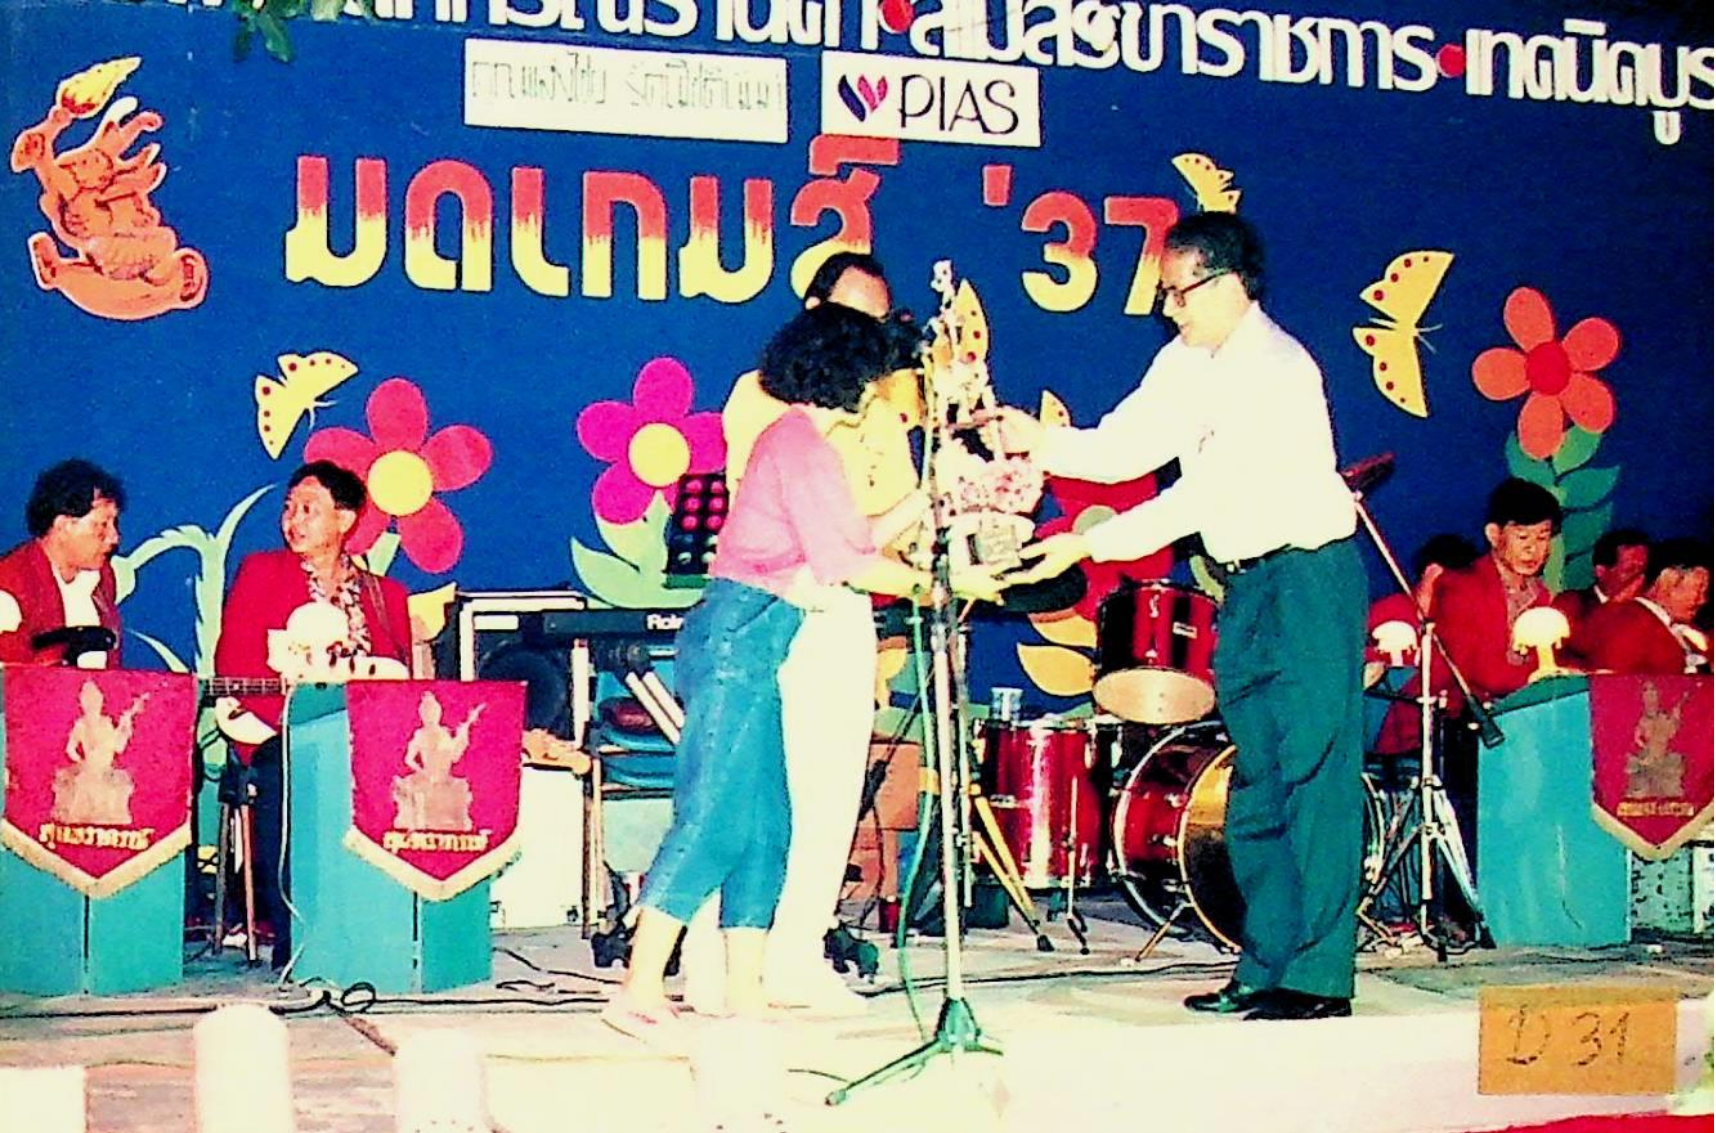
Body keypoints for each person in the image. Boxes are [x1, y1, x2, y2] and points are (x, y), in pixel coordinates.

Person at [994, 212, 1366, 1022]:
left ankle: (1319, 976)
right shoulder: (1185, 361)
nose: (1169, 308)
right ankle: (1265, 964)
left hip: (1307, 580)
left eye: (1178, 291)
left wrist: (1084, 545)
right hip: (1249, 584)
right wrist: (1038, 441)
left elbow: (1202, 495)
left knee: (1313, 777)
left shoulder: (1278, 370)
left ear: (1226, 282)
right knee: (1258, 780)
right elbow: (1124, 445)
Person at [602, 303, 999, 1049]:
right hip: (737, 638)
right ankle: (639, 986)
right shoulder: (800, 445)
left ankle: (745, 989)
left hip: (759, 644)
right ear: (848, 378)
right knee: (717, 815)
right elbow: (847, 564)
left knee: (767, 823)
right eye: (873, 380)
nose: (877, 395)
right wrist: (944, 587)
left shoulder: (802, 443)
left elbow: (852, 540)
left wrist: (926, 499)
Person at [682, 251, 924, 1017]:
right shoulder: (766, 397)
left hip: (844, 606)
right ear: (815, 312)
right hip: (776, 603)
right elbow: (823, 526)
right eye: (854, 319)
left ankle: (796, 953)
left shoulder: (879, 409)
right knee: (751, 791)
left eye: (877, 322)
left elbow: (888, 515)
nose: (869, 336)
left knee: (830, 787)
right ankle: (714, 961)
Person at [213, 460, 412, 968]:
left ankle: (382, 927)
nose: (293, 520)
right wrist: (297, 717)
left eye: (309, 509)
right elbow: (233, 662)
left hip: (359, 741)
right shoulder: (261, 573)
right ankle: (297, 937)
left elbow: (397, 682)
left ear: (344, 520)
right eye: (289, 509)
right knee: (291, 770)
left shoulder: (385, 596)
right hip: (277, 732)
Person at [1431, 479, 1562, 704]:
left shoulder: (1542, 595)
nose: (1533, 549)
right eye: (1522, 537)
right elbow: (1475, 673)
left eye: (1542, 537)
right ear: (1494, 534)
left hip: (1523, 708)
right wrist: (1543, 679)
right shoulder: (1461, 587)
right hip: (1461, 714)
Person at [0, 459, 125, 668]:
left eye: (114, 524)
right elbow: (9, 679)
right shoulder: (9, 587)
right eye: (102, 525)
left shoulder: (104, 579)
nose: (114, 537)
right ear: (63, 525)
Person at [1365, 533, 1479, 761]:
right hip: (1385, 731)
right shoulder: (1388, 611)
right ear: (1429, 574)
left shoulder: (1461, 627)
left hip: (1439, 739)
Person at [1570, 538, 1711, 675]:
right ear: (1667, 581)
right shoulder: (1629, 623)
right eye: (1699, 589)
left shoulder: (1686, 631)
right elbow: (1613, 684)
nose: (1702, 600)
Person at [1554, 527, 1649, 661]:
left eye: (1643, 570)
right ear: (1601, 571)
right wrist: (1616, 603)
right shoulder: (1572, 603)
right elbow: (1577, 647)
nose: (1639, 579)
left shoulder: (1645, 612)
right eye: (1630, 570)